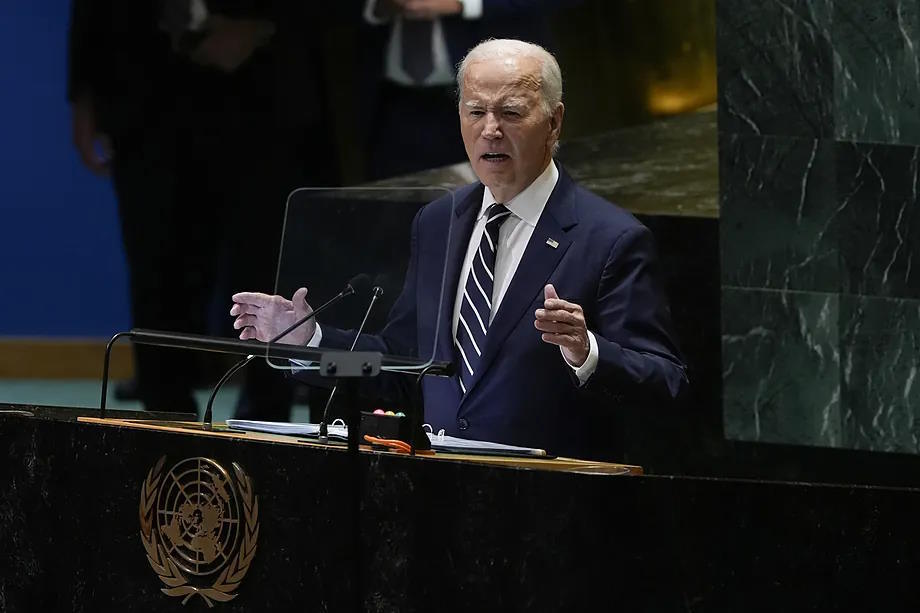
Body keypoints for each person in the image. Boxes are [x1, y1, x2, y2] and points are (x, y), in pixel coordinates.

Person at [231, 39, 688, 459]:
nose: (490, 130)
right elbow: (399, 367)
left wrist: (586, 352)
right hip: (442, 502)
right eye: (475, 112)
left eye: (510, 112)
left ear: (554, 121)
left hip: (550, 508)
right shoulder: (437, 223)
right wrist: (309, 343)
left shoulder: (611, 239)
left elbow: (666, 384)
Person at [69, 0, 343, 417]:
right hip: (146, 95)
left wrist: (261, 25)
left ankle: (267, 419)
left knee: (266, 265)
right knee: (157, 271)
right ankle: (163, 419)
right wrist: (83, 97)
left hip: (265, 93)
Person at [360, 0, 573, 179]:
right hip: (397, 106)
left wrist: (463, 3)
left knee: (506, 210)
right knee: (396, 212)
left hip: (495, 100)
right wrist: (380, 5)